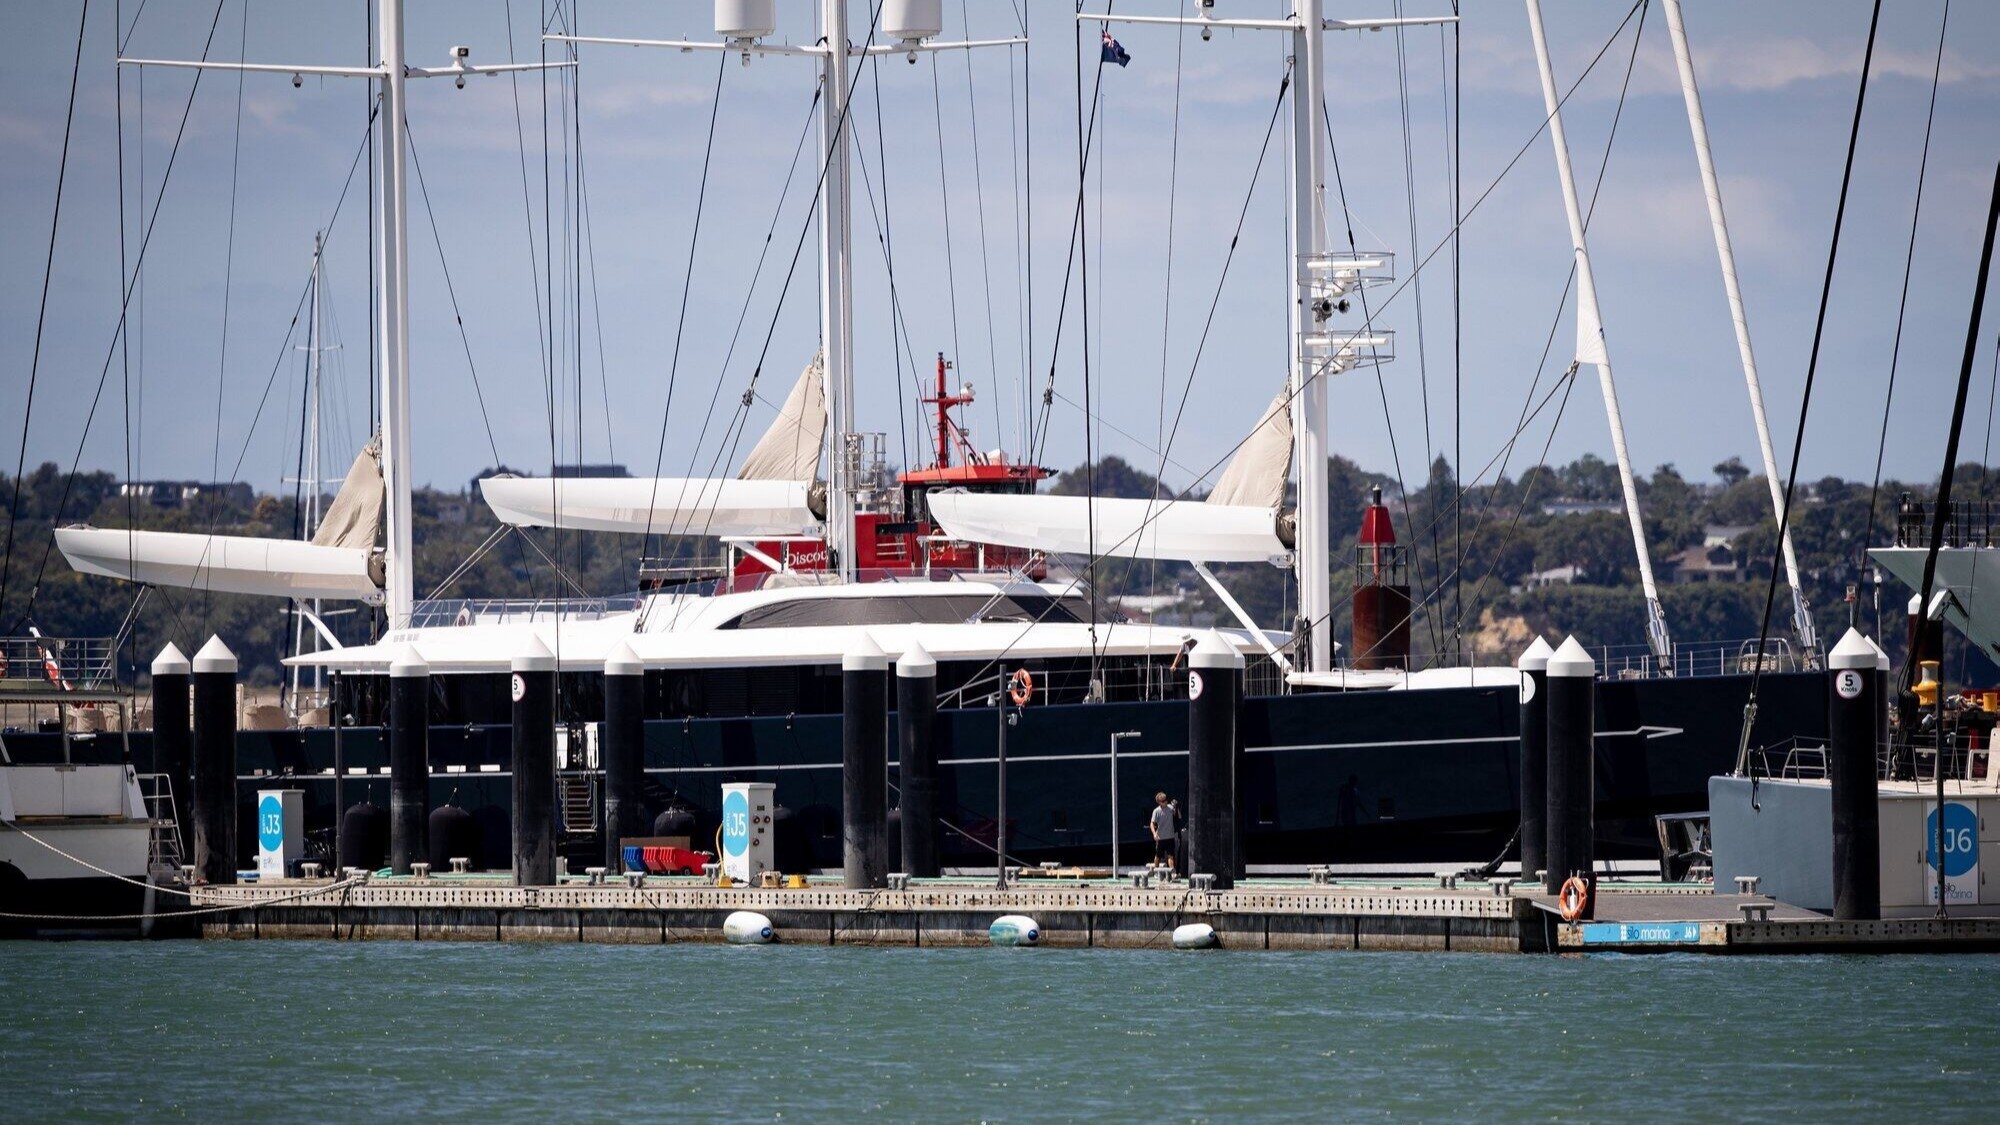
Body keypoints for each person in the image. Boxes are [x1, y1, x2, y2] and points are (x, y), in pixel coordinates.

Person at [1149, 791, 1177, 874]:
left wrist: (1176, 807)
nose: (1166, 802)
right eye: (1163, 801)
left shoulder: (1171, 808)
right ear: (1159, 803)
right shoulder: (1156, 811)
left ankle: (1173, 873)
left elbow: (1178, 816)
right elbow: (1152, 823)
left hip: (1170, 837)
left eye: (1166, 800)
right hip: (1160, 838)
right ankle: (1155, 872)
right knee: (1158, 856)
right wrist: (1154, 834)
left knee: (1170, 855)